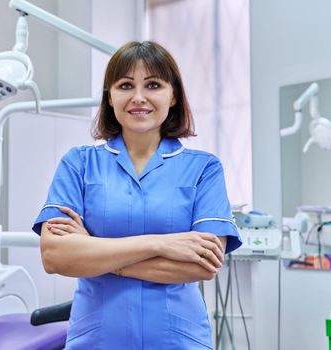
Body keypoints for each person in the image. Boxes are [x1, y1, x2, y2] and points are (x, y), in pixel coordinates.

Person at [32, 41, 242, 350]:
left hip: (177, 340)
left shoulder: (204, 168)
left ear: (173, 96)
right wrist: (162, 243)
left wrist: (93, 252)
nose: (138, 97)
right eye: (125, 85)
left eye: (153, 85)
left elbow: (202, 265)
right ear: (110, 97)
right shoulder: (78, 163)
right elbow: (55, 256)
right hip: (98, 338)